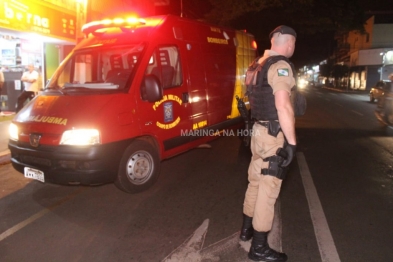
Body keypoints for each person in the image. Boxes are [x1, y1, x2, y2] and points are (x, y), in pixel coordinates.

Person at [240, 25, 297, 262]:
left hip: (257, 131)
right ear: (289, 43)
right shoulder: (280, 66)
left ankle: (246, 231)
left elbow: (252, 97)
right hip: (273, 135)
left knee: (254, 182)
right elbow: (282, 105)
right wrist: (292, 143)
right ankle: (259, 248)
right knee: (268, 188)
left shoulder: (256, 65)